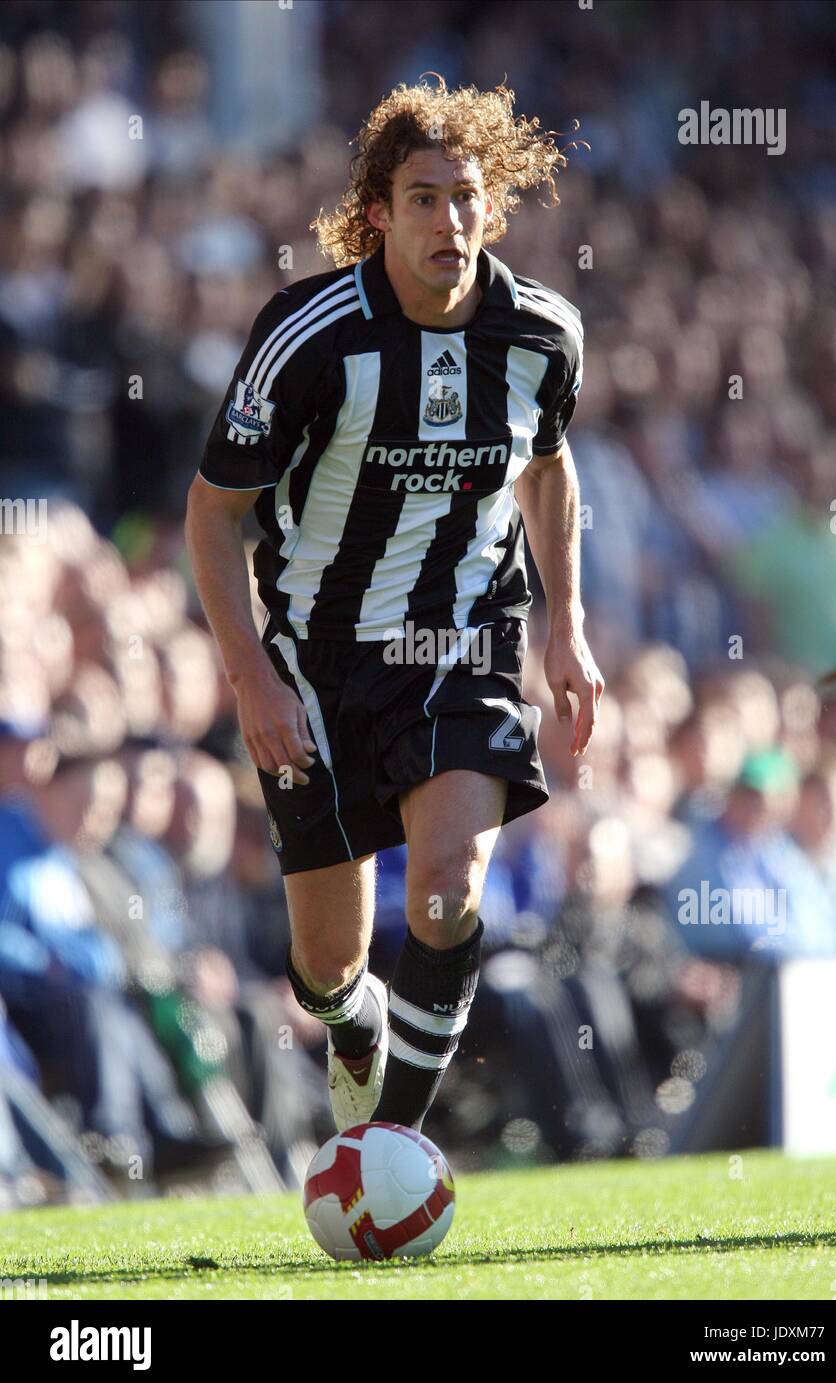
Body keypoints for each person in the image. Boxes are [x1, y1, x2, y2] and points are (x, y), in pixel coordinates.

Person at [185, 75, 604, 1136]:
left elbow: (547, 471)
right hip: (314, 657)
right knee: (325, 964)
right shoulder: (309, 336)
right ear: (379, 212)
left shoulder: (543, 334)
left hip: (461, 637)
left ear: (491, 207)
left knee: (447, 892)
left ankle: (389, 1148)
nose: (447, 221)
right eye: (422, 198)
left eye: (465, 197)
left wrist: (568, 631)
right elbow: (210, 511)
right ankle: (353, 1024)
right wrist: (251, 676)